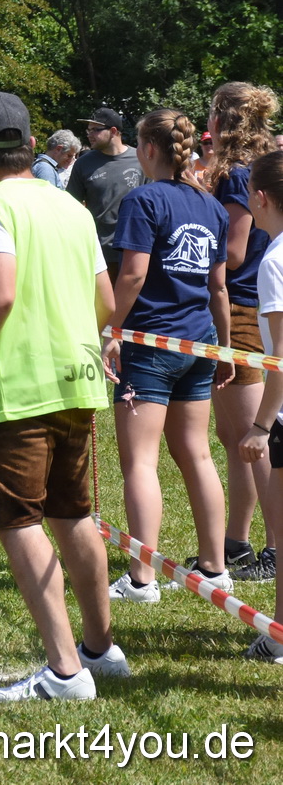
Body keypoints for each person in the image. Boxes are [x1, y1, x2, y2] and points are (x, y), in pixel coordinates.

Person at [0, 91, 123, 704]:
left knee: (21, 522)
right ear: (32, 145)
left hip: (16, 391)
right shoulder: (72, 209)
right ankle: (99, 649)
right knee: (74, 516)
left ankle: (65, 672)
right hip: (77, 383)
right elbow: (107, 305)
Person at [103, 109, 233, 603]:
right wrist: (223, 348)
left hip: (151, 345)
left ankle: (141, 578)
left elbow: (132, 276)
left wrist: (110, 329)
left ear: (149, 149)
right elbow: (218, 287)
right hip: (197, 343)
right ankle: (216, 568)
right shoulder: (212, 206)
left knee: (140, 461)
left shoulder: (143, 199)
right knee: (197, 454)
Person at [206, 82, 280, 581]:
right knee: (240, 438)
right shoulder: (263, 159)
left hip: (246, 309)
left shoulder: (236, 175)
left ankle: (272, 547)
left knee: (254, 438)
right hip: (252, 306)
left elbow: (232, 253)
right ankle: (238, 543)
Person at [233, 150, 283, 660]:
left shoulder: (274, 261)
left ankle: (279, 639)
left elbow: (281, 358)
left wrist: (261, 425)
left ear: (262, 198)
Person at [67, 107, 144, 276]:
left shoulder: (140, 159)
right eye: (88, 130)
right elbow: (70, 207)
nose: (89, 134)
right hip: (98, 253)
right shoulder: (83, 163)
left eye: (95, 129)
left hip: (135, 250)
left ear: (114, 131)